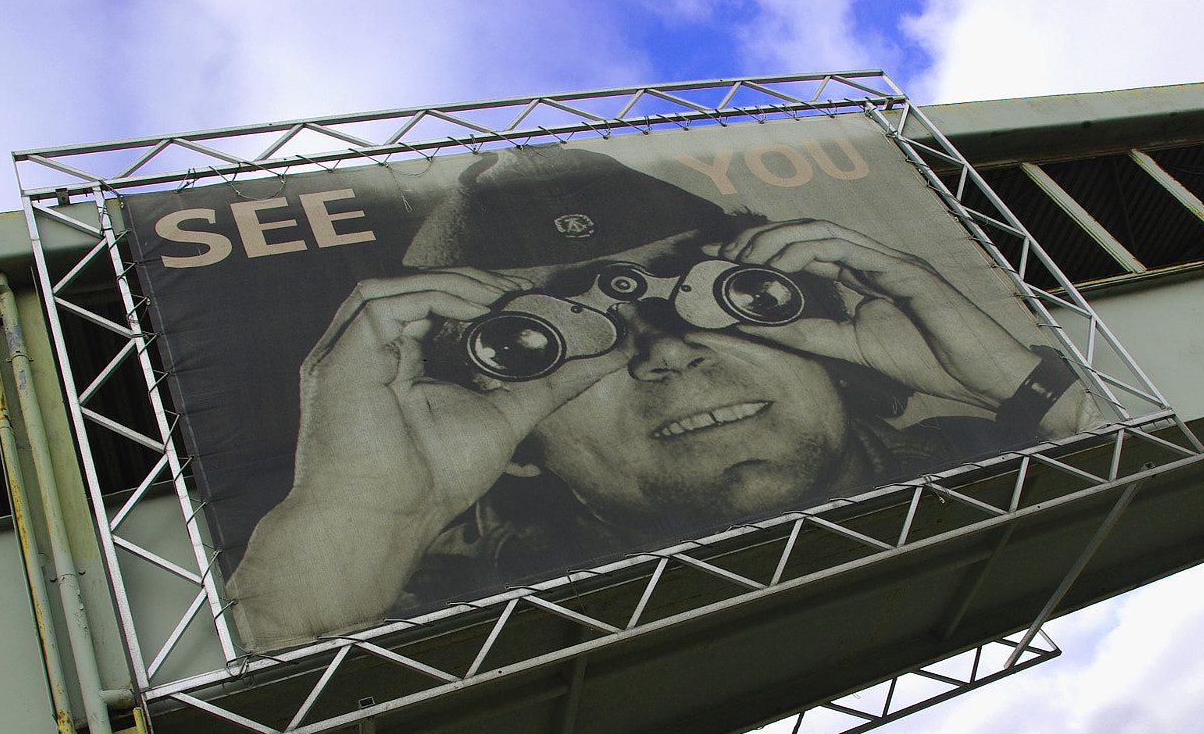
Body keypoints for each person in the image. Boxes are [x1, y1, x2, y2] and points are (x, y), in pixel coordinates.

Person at [226, 145, 1100, 650]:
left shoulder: (1020, 459)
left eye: (714, 294)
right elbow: (242, 733)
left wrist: (1014, 382)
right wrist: (366, 508)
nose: (667, 350)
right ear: (512, 434)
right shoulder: (465, 617)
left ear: (816, 325)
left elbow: (1177, 461)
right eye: (550, 337)